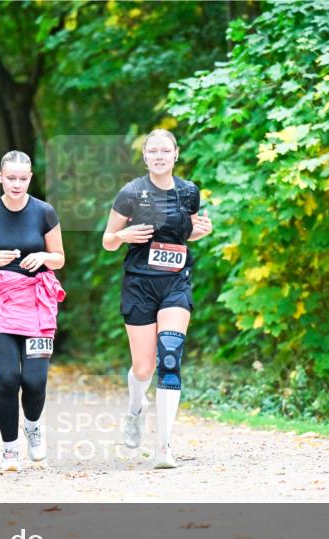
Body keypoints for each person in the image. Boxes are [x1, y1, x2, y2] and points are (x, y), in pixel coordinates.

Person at [101, 129, 213, 469]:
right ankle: (135, 410)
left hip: (176, 283)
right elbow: (107, 240)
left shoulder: (189, 191)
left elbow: (187, 230)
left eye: (166, 150)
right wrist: (123, 235)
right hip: (139, 285)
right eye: (153, 151)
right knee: (143, 367)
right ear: (146, 157)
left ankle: (163, 446)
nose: (160, 156)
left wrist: (200, 230)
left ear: (176, 154)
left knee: (169, 356)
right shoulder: (131, 193)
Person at [0, 150, 66, 472]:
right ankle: (9, 450)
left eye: (23, 178)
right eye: (11, 178)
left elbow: (59, 257)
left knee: (34, 382)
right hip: (0, 304)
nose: (17, 184)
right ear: (0, 177)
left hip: (37, 304)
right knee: (8, 379)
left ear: (30, 178)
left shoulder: (44, 212)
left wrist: (44, 259)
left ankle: (32, 425)